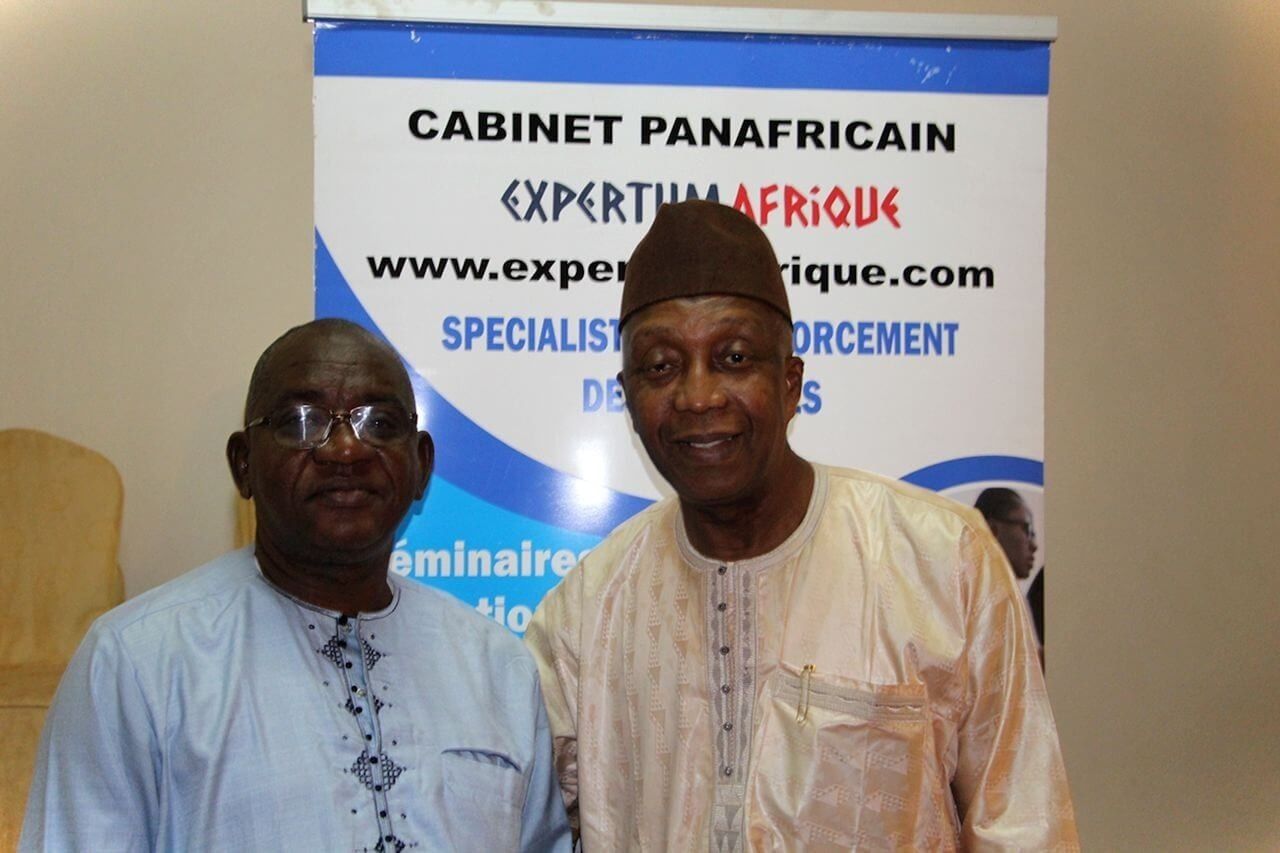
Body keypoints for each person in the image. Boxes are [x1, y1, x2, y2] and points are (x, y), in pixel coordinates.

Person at [525, 201, 1077, 850]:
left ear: (790, 383)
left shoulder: (943, 561)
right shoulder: (589, 609)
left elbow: (1025, 827)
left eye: (733, 357)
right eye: (661, 365)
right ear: (627, 396)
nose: (698, 396)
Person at [22, 319, 570, 852]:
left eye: (379, 423)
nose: (346, 450)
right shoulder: (137, 662)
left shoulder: (496, 666)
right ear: (243, 464)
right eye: (302, 421)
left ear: (421, 464)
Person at [975, 487, 1045, 648]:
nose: (1034, 545)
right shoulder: (981, 603)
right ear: (992, 530)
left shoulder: (1014, 598)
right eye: (1026, 529)